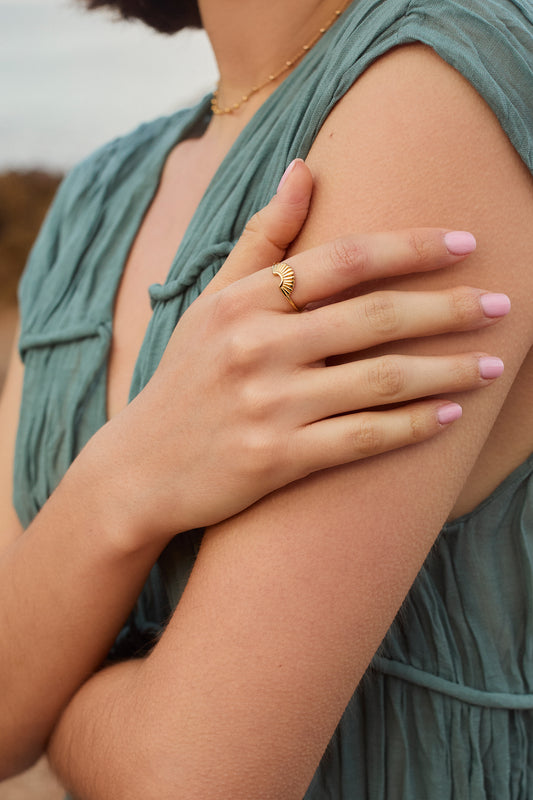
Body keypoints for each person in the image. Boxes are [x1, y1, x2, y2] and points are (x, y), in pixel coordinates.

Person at [1, 0, 532, 797]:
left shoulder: (441, 78)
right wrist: (131, 475)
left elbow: (190, 781)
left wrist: (50, 700)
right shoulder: (96, 193)